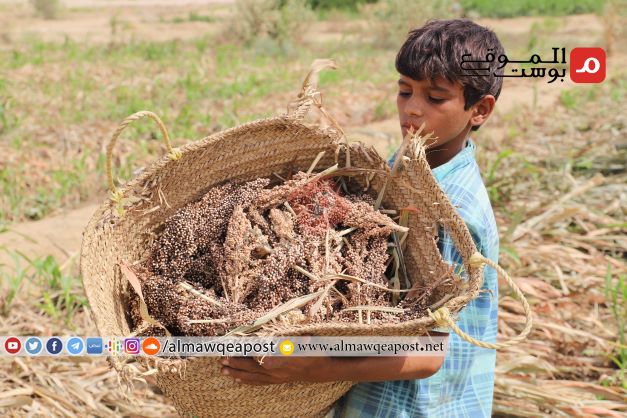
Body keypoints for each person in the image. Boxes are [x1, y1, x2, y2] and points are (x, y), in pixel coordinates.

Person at [220, 18, 503, 417]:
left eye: (436, 98)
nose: (412, 109)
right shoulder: (408, 165)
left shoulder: (450, 210)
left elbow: (430, 353)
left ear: (480, 109)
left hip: (417, 407)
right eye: (404, 91)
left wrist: (317, 363)